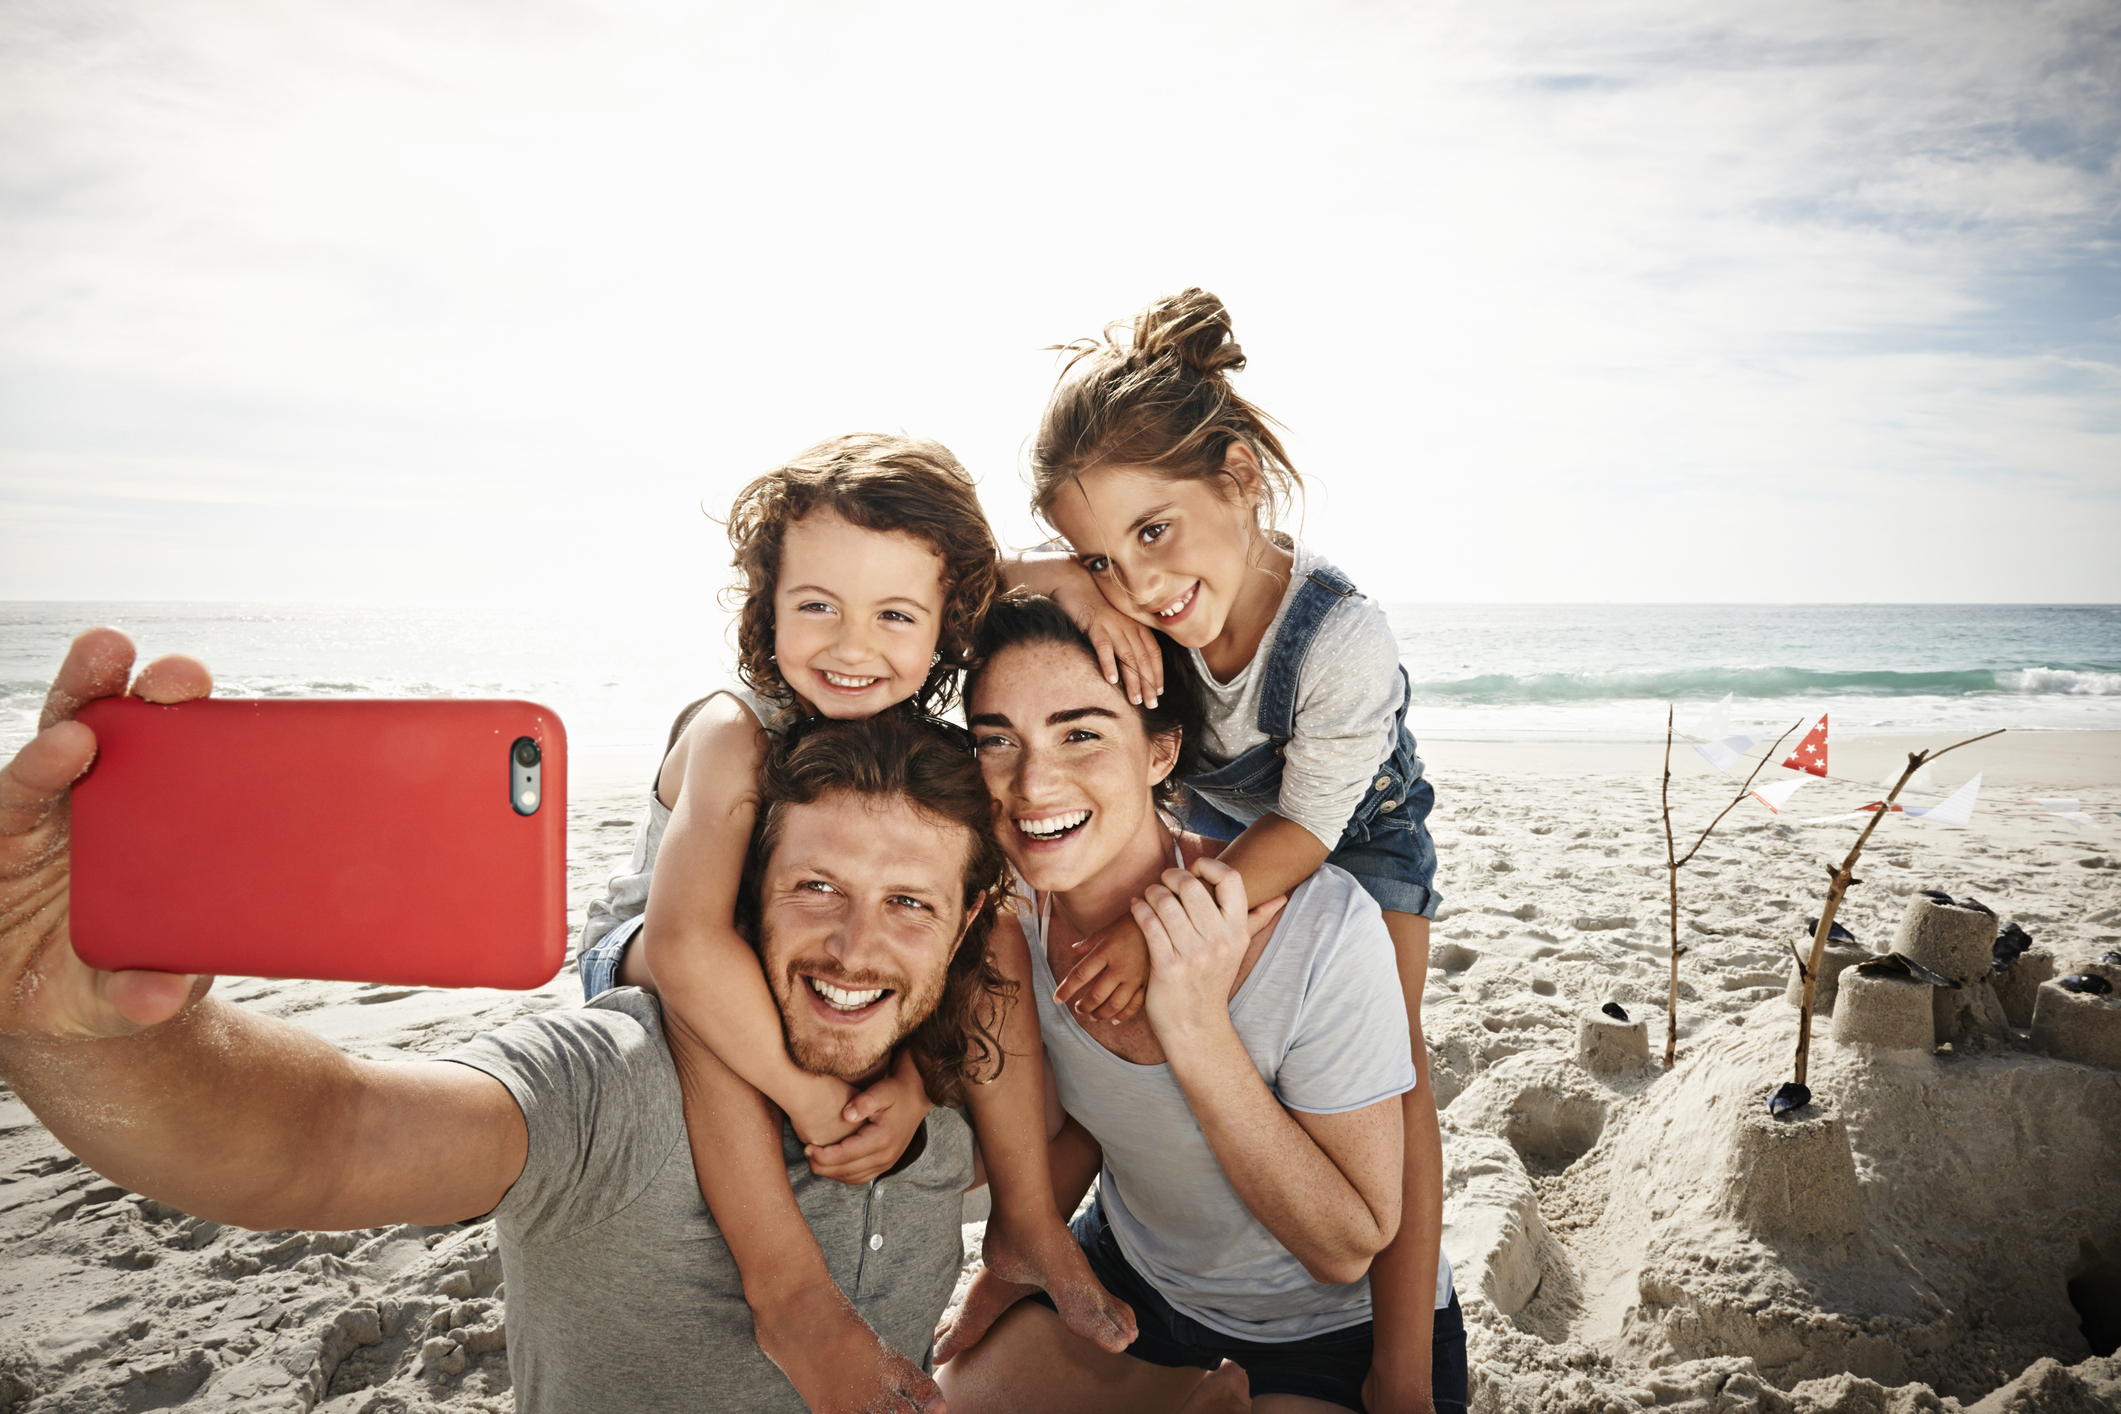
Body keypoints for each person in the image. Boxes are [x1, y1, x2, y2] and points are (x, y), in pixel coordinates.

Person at [0, 630, 1005, 1414]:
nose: (854, 946)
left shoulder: (955, 1086)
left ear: (965, 921)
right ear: (750, 893)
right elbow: (328, 1138)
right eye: (816, 887)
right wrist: (79, 1034)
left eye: (908, 904)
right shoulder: (619, 1073)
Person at [573, 432, 1130, 1408]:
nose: (852, 646)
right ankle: (789, 1297)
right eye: (815, 606)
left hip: (802, 944)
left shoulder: (901, 730)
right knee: (714, 996)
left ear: (948, 625)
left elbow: (934, 946)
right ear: (767, 606)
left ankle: (1028, 1223)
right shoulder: (730, 730)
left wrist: (915, 1080)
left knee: (993, 926)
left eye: (895, 617)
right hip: (654, 948)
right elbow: (683, 944)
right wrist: (804, 1094)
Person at [1006, 291, 1453, 1408]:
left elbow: (1303, 833)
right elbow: (969, 575)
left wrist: (1158, 935)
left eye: (1153, 532)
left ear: (1243, 477)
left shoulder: (1339, 637)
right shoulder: (1128, 598)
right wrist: (1066, 586)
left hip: (1351, 823)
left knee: (1396, 1073)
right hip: (1225, 812)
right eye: (1100, 557)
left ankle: (1402, 1364)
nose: (1140, 586)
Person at [935, 599, 1465, 1414]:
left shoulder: (1319, 927)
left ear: (1161, 750)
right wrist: (1009, 1268)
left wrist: (1194, 1026)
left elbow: (1343, 1249)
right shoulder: (1009, 919)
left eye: (1081, 735)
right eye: (996, 740)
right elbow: (1088, 1119)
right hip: (1137, 1275)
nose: (1032, 783)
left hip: (1333, 1331)